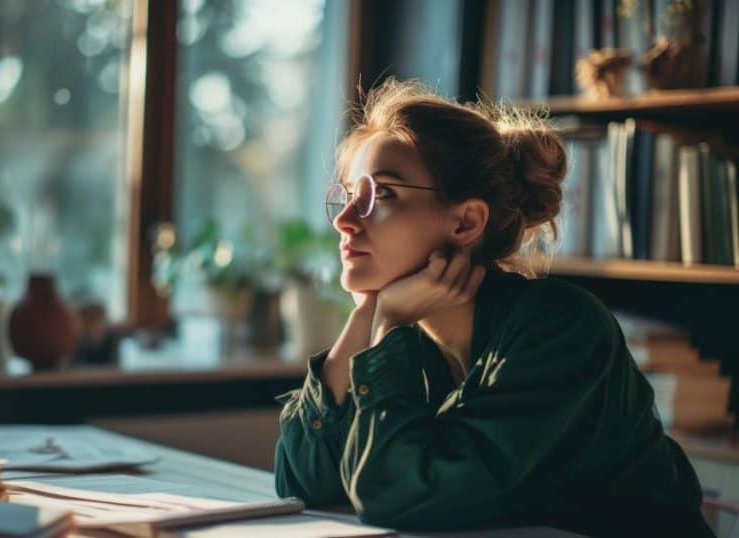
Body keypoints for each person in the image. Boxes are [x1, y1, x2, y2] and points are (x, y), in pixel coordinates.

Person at [273, 78, 713, 537]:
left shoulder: (560, 328)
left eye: (380, 194)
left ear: (466, 221)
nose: (344, 220)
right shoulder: (416, 335)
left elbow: (396, 497)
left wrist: (386, 323)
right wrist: (366, 312)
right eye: (348, 194)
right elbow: (301, 482)